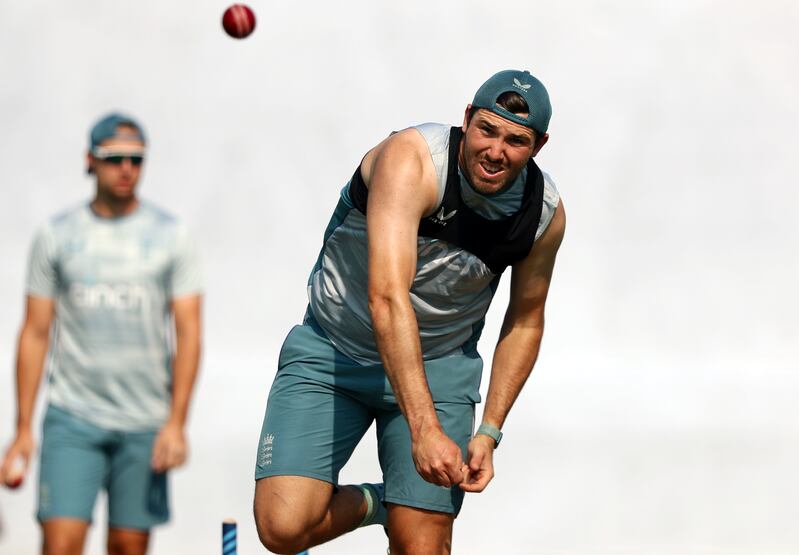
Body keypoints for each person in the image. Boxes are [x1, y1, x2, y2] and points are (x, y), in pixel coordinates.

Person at [253, 69, 565, 554]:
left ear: (539, 146)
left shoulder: (541, 213)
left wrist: (490, 430)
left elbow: (525, 320)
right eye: (486, 129)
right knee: (282, 528)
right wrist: (424, 432)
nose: (495, 151)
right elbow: (387, 296)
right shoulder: (412, 159)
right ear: (466, 119)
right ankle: (383, 505)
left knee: (421, 545)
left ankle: (409, 514)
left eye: (516, 140)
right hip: (335, 351)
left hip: (440, 365)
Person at [0, 113, 203, 555]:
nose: (126, 168)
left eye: (136, 159)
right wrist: (22, 428)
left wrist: (176, 423)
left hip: (144, 422)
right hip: (73, 417)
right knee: (60, 545)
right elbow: (35, 333)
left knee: (128, 547)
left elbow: (188, 333)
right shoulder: (56, 236)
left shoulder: (172, 236)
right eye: (114, 159)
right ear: (90, 161)